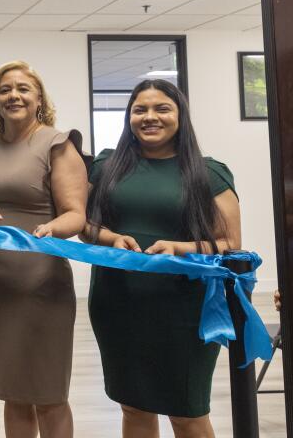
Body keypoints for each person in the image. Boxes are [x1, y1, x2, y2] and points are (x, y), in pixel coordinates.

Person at [85, 79, 241, 438]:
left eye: (161, 109)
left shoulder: (209, 172)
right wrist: (110, 237)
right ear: (129, 117)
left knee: (187, 410)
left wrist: (179, 248)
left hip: (183, 309)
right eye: (140, 109)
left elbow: (230, 243)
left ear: (180, 116)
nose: (149, 117)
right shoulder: (107, 166)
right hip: (117, 303)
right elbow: (86, 226)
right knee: (133, 405)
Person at [0, 61, 88, 438]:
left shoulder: (57, 144)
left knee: (49, 393)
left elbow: (76, 215)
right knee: (12, 392)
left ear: (38, 98)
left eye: (23, 89)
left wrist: (49, 229)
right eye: (6, 89)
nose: (14, 95)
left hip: (43, 286)